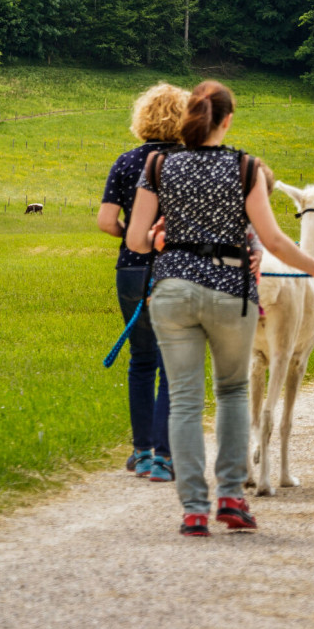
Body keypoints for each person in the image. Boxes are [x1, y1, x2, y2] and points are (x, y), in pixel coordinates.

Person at [126, 81, 314, 537]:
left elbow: (135, 239)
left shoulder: (158, 164)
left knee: (185, 400)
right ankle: (230, 496)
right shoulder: (244, 167)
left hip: (173, 289)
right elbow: (277, 240)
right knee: (231, 392)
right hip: (229, 288)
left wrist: (161, 239)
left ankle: (192, 509)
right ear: (227, 120)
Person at [97, 82, 188, 482]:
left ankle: (142, 451)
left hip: (132, 269)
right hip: (177, 269)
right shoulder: (190, 162)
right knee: (173, 364)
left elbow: (105, 221)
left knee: (141, 359)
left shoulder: (126, 161)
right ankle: (166, 456)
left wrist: (133, 236)